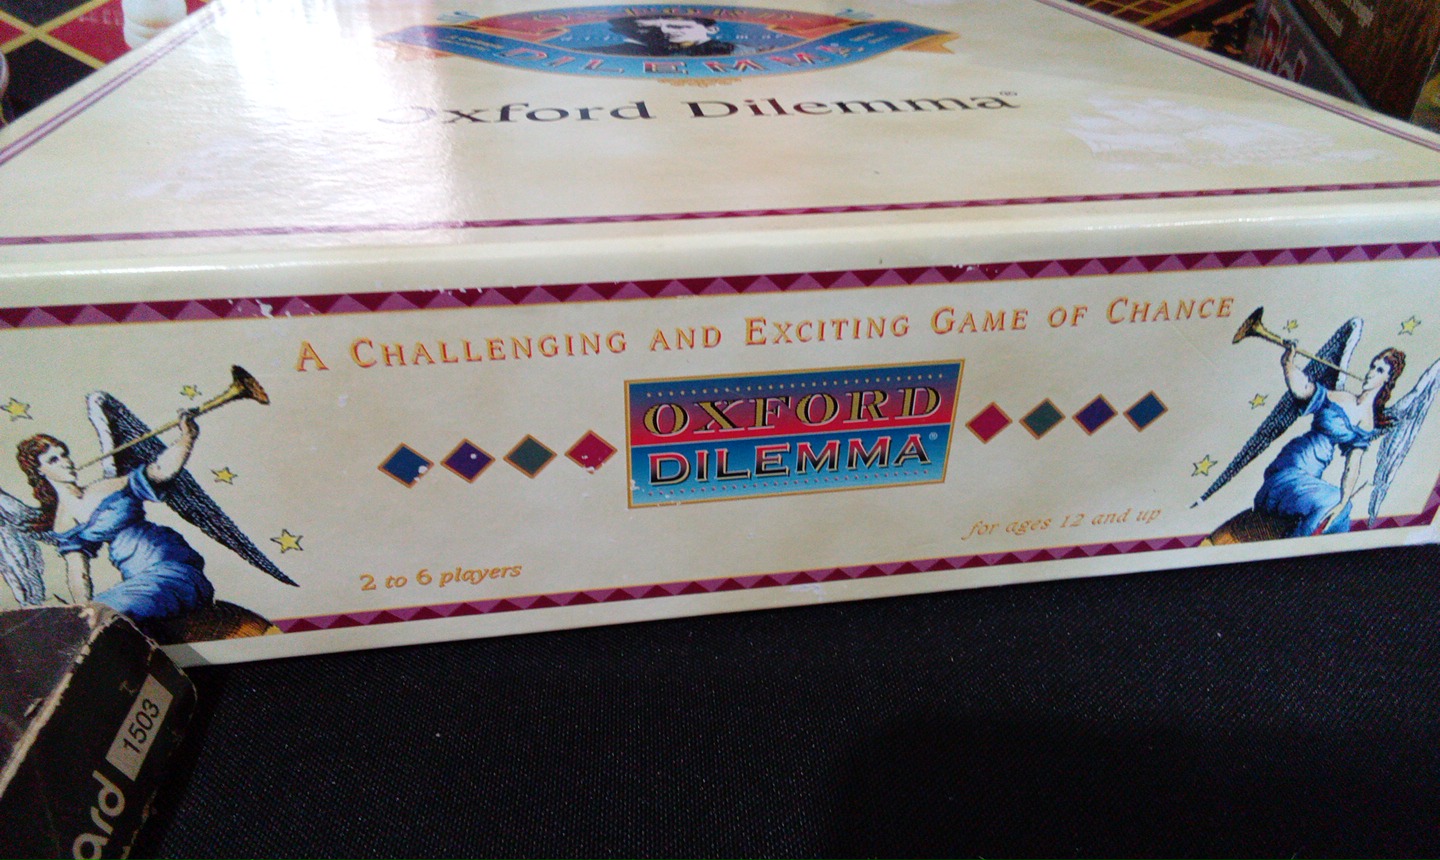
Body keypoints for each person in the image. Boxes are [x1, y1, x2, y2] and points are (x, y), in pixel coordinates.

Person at [17, 409, 214, 624]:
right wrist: (83, 609)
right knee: (97, 613)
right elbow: (78, 574)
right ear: (40, 471)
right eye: (54, 460)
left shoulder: (105, 487)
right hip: (138, 582)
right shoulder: (64, 522)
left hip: (171, 569)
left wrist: (187, 436)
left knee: (106, 610)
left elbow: (160, 471)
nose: (66, 462)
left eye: (64, 454)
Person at [1252, 344, 1405, 537]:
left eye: (1380, 370)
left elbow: (1352, 466)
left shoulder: (1367, 422)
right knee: (1331, 501)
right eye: (1372, 367)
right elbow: (1304, 390)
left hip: (1312, 474)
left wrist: (1344, 501)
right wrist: (1288, 364)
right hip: (1292, 465)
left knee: (1342, 511)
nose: (1371, 373)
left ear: (1388, 379)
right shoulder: (1342, 397)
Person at [589, 15, 742, 56]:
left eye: (677, 25)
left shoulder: (737, 51)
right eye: (646, 28)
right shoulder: (610, 52)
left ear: (712, 29)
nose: (665, 32)